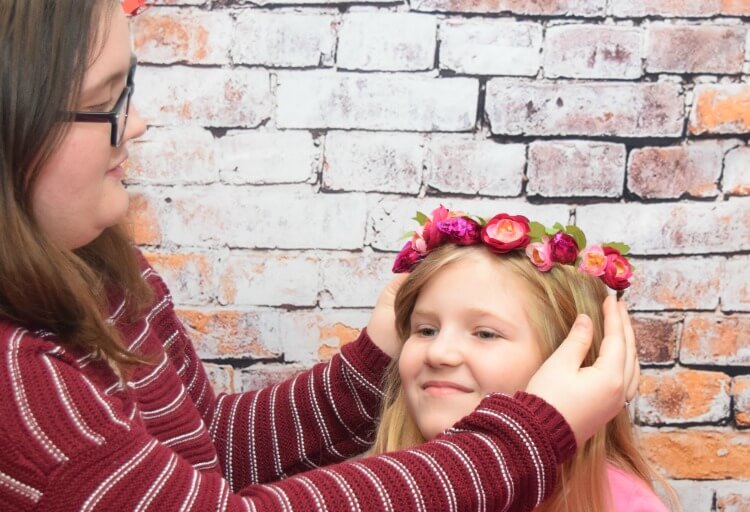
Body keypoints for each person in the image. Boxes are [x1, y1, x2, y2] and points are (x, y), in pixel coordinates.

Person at [0, 1, 638, 510]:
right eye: (106, 98)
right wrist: (526, 437)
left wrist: (371, 356)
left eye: (129, 86)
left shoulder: (108, 274)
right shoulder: (19, 389)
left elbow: (207, 447)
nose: (135, 123)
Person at [369, 206, 676, 511]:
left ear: (570, 364)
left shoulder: (623, 505)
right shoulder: (381, 489)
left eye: (485, 333)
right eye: (425, 330)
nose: (438, 353)